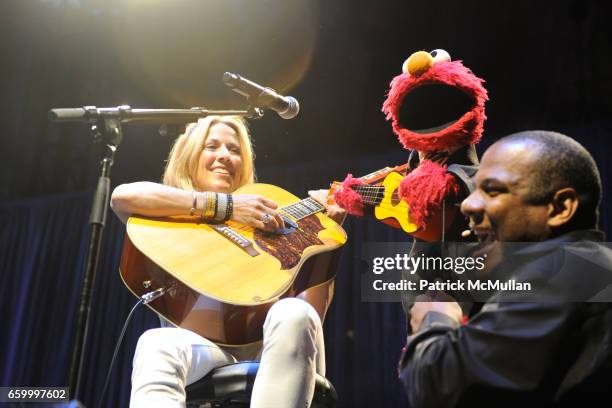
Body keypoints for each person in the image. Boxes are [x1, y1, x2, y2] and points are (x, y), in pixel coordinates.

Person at [110, 116, 345, 408]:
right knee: (155, 343)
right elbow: (122, 197)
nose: (225, 155)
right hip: (202, 350)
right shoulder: (170, 217)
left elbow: (309, 318)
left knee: (296, 312)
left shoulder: (268, 227)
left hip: (265, 348)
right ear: (189, 155)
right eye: (212, 146)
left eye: (234, 150)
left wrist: (326, 240)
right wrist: (228, 207)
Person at [399, 130, 612, 407]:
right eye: (475, 190)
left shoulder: (564, 272)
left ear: (560, 208)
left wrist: (433, 319)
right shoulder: (588, 268)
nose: (467, 204)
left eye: (493, 190)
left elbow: (439, 384)